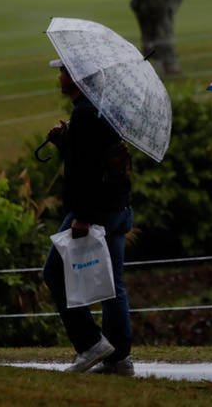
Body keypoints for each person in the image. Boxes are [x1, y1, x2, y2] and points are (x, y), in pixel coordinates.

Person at [42, 59, 135, 375]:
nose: (59, 77)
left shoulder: (85, 114)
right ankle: (119, 357)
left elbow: (87, 173)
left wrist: (82, 217)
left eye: (63, 71)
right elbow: (92, 157)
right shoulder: (102, 109)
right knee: (113, 284)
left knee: (54, 272)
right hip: (118, 208)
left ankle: (90, 343)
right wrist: (65, 141)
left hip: (94, 213)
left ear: (78, 79)